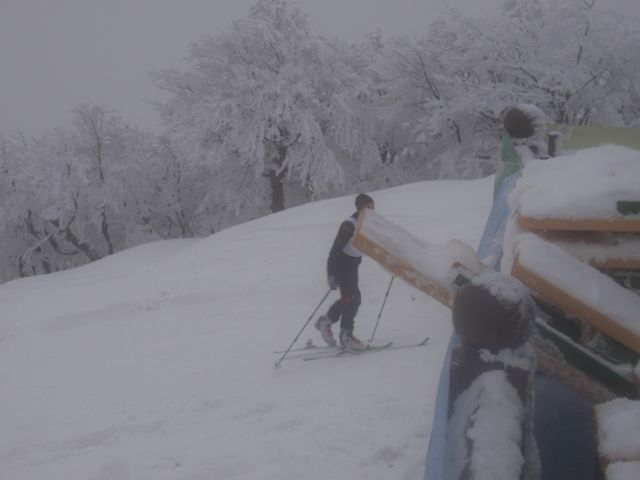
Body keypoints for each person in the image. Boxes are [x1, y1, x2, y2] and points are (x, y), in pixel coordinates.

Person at [314, 193, 374, 351]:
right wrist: (331, 274)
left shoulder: (367, 223)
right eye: (368, 207)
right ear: (360, 208)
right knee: (352, 299)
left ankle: (327, 322)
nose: (371, 210)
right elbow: (335, 250)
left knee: (351, 299)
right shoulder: (349, 224)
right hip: (342, 266)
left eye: (373, 207)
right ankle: (346, 336)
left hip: (352, 267)